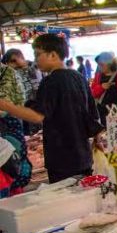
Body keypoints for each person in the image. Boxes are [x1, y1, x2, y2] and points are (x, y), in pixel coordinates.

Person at [0, 34, 103, 184]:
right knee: (83, 197)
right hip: (83, 154)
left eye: (38, 54)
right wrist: (97, 139)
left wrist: (5, 106)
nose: (35, 59)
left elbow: (37, 116)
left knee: (65, 201)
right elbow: (93, 114)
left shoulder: (51, 81)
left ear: (53, 54)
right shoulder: (78, 77)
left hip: (62, 156)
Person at [0, 61, 31, 193]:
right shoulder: (10, 72)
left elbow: (20, 99)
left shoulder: (9, 72)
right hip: (9, 123)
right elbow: (21, 98)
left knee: (13, 164)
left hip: (8, 124)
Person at [2, 49, 42, 135]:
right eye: (11, 61)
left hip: (36, 108)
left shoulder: (34, 68)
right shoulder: (10, 73)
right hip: (20, 111)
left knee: (38, 133)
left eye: (14, 60)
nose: (14, 64)